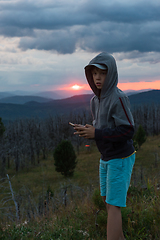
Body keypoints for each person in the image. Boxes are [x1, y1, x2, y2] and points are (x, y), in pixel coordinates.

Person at [74, 52, 135, 240]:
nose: (97, 78)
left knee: (113, 205)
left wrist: (97, 133)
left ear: (112, 74)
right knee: (107, 202)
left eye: (102, 73)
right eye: (94, 74)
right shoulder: (95, 101)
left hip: (121, 157)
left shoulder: (118, 98)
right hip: (106, 158)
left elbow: (128, 131)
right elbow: (103, 127)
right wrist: (90, 130)